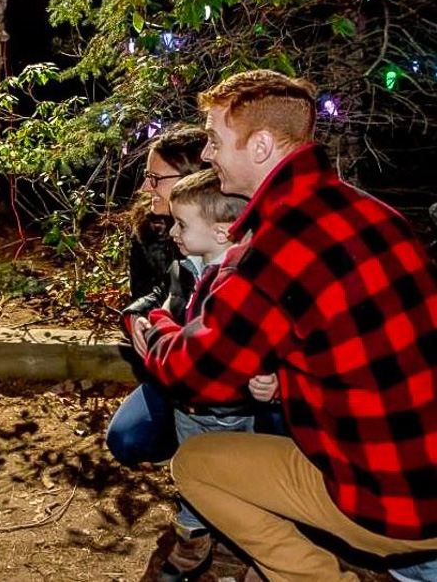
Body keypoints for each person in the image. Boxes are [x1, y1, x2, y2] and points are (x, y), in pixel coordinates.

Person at [138, 69, 437, 582]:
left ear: (259, 147)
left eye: (213, 139)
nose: (207, 154)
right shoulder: (376, 212)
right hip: (422, 468)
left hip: (389, 501)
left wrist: (156, 331)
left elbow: (197, 376)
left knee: (195, 464)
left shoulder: (278, 247)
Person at [129, 169, 280, 581]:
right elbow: (166, 308)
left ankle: (255, 551)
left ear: (221, 232)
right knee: (190, 472)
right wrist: (148, 319)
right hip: (188, 406)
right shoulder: (190, 268)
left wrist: (274, 377)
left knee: (235, 478)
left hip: (229, 410)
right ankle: (193, 540)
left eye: (182, 224)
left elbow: (225, 345)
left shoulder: (237, 282)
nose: (173, 232)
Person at [105, 127, 208, 468]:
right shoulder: (149, 230)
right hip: (171, 361)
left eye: (155, 178)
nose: (145, 187)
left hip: (217, 366)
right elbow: (158, 290)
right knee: (126, 439)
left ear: (192, 179)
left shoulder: (227, 231)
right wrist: (137, 317)